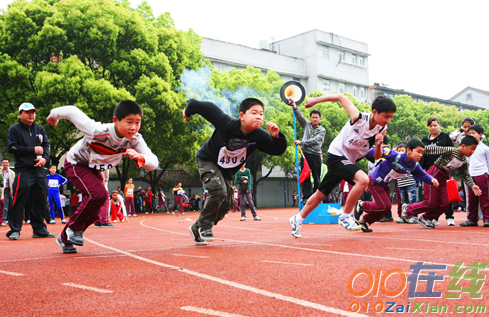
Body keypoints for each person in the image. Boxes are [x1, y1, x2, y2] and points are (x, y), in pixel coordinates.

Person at [47, 100, 158, 253]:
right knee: (98, 195)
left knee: (99, 203)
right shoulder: (98, 131)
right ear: (115, 120)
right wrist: (53, 117)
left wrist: (141, 157)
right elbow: (71, 111)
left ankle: (65, 237)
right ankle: (73, 229)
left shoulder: (135, 140)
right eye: (129, 122)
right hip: (76, 163)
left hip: (94, 169)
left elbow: (154, 163)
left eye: (138, 122)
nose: (133, 127)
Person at [183, 97, 287, 245]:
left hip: (226, 171)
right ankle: (205, 228)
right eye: (254, 113)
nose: (258, 116)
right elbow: (201, 105)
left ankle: (196, 227)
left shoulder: (260, 135)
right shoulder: (226, 123)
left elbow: (277, 150)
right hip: (208, 160)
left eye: (261, 114)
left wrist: (276, 137)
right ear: (241, 115)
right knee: (219, 191)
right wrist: (187, 111)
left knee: (227, 204)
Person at [289, 94, 395, 238]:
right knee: (363, 180)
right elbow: (340, 97)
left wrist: (378, 144)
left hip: (347, 161)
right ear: (374, 112)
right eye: (386, 116)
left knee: (320, 194)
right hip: (336, 155)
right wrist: (315, 101)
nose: (388, 120)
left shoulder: (381, 129)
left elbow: (377, 156)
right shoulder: (358, 117)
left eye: (391, 117)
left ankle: (297, 219)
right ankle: (345, 216)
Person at [354, 139, 439, 232]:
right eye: (418, 152)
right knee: (384, 205)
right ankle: (361, 204)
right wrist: (359, 153)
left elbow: (423, 175)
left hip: (385, 184)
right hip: (375, 181)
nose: (420, 155)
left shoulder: (414, 165)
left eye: (422, 153)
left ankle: (363, 220)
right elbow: (377, 152)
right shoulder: (395, 156)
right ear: (409, 150)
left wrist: (432, 179)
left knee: (386, 209)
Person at [402, 136, 481, 228]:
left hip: (443, 178)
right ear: (463, 146)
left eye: (474, 150)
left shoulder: (464, 161)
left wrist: (472, 185)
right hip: (433, 175)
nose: (473, 152)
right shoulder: (451, 151)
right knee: (430, 203)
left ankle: (425, 218)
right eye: (471, 149)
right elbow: (431, 149)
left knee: (445, 204)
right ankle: (407, 209)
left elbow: (465, 175)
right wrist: (413, 153)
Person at [6, 103, 55, 241]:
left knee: (40, 200)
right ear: (20, 114)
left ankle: (39, 229)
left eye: (33, 112)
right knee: (19, 199)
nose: (31, 114)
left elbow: (46, 145)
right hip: (24, 170)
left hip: (39, 170)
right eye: (27, 112)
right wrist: (32, 150)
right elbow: (11, 148)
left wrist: (45, 158)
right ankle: (15, 229)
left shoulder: (40, 128)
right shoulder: (14, 130)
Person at [420, 116, 456, 226]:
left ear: (439, 125)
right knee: (433, 195)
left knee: (445, 194)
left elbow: (453, 151)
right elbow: (421, 156)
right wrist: (422, 170)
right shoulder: (425, 140)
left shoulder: (445, 137)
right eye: (430, 126)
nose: (433, 128)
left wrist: (450, 167)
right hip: (430, 171)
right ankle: (433, 217)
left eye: (435, 125)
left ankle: (449, 216)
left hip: (443, 169)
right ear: (428, 127)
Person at [291, 102, 326, 203]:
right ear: (310, 118)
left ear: (320, 119)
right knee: (305, 175)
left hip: (315, 155)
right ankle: (306, 196)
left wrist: (302, 142)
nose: (314, 119)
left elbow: (316, 141)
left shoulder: (322, 130)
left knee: (316, 176)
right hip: (305, 155)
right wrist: (295, 107)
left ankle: (316, 196)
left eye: (316, 117)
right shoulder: (306, 125)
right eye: (313, 117)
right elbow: (300, 116)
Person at [461, 125, 489, 227]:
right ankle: (472, 219)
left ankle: (487, 218)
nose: (471, 135)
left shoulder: (485, 149)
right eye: (470, 133)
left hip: (482, 175)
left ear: (480, 135)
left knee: (484, 198)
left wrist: (487, 175)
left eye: (474, 133)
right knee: (471, 199)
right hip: (470, 176)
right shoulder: (468, 148)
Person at [394, 143, 419, 224]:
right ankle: (405, 216)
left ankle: (414, 217)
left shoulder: (411, 161)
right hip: (401, 184)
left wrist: (417, 181)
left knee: (412, 200)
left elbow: (417, 172)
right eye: (399, 151)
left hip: (410, 183)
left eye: (402, 150)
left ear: (407, 151)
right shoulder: (396, 161)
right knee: (403, 202)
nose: (401, 152)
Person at [1, 158, 15, 225]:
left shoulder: (12, 172)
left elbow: (13, 182)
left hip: (8, 190)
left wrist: (12, 190)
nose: (5, 164)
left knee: (7, 205)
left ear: (9, 164)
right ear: (1, 164)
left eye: (6, 162)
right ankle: (3, 219)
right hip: (1, 189)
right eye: (4, 163)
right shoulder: (1, 172)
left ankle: (5, 219)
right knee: (3, 205)